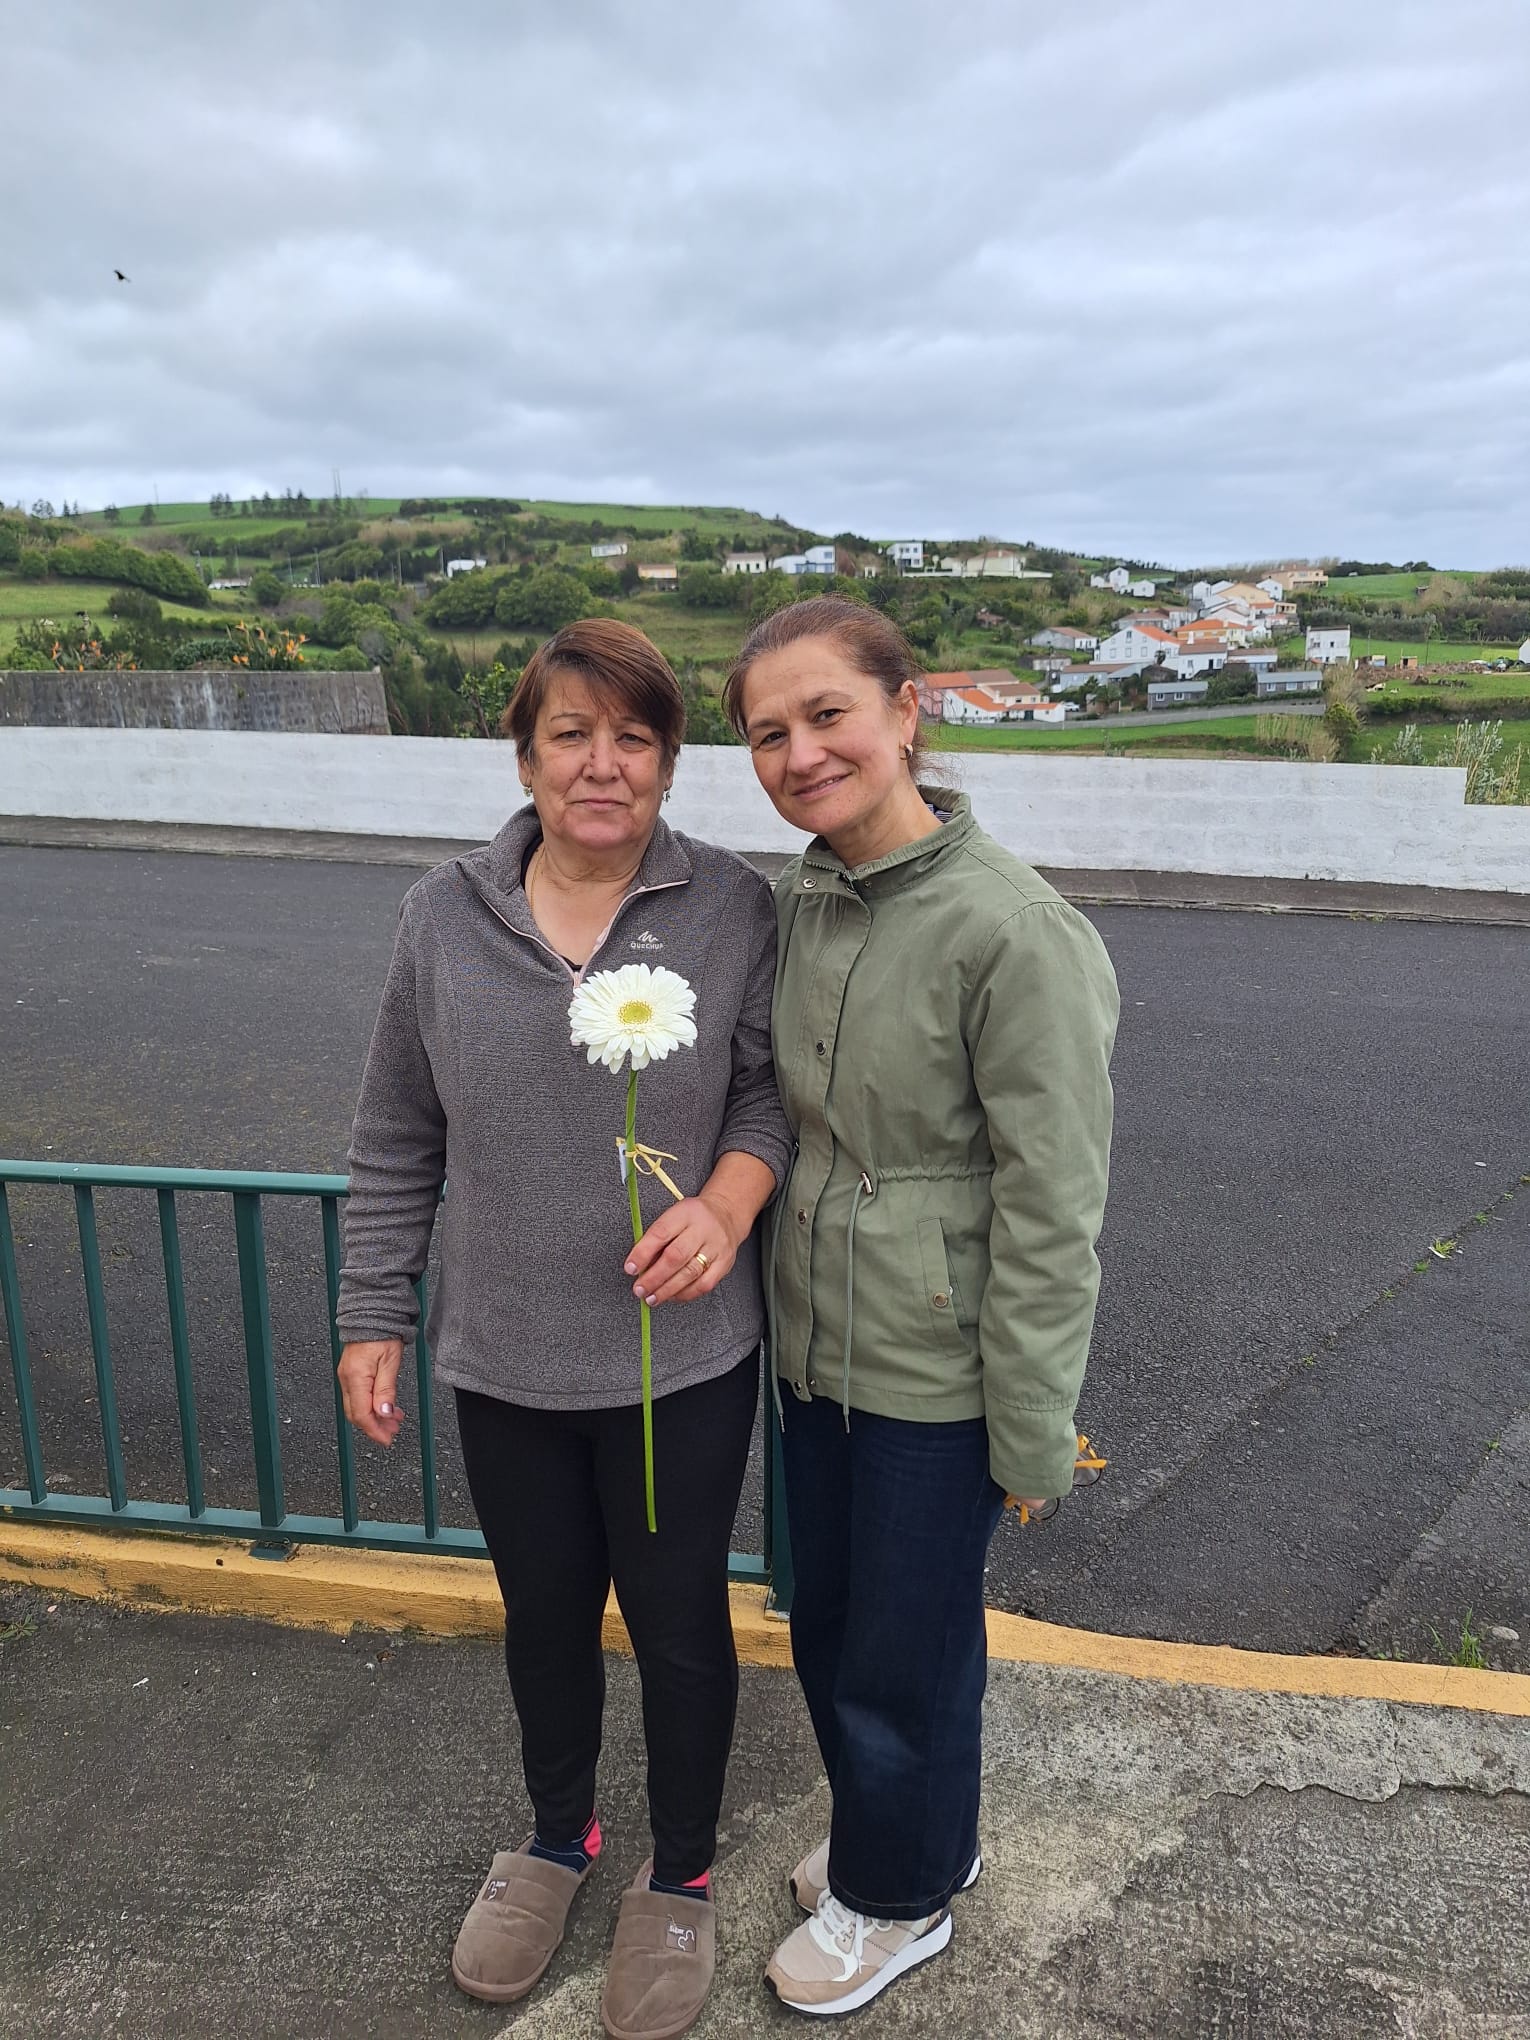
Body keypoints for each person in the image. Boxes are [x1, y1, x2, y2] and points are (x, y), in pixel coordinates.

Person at [335, 618, 792, 2040]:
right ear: (525, 758)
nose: (603, 765)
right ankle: (557, 1837)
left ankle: (683, 1869)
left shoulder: (732, 905)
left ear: (668, 759)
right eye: (571, 736)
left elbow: (768, 1097)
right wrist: (373, 1310)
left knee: (678, 1623)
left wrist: (723, 1208)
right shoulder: (443, 916)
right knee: (541, 1617)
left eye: (634, 737)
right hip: (505, 1359)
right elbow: (397, 1130)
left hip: (681, 1363)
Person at [724, 595, 1119, 2019]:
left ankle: (897, 1901)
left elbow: (1053, 1205)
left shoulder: (1015, 930)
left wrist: (1033, 1430)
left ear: (906, 712)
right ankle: (911, 1836)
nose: (800, 754)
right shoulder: (801, 901)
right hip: (814, 1347)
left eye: (827, 713)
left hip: (936, 1371)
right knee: (834, 1627)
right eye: (767, 733)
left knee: (905, 1651)